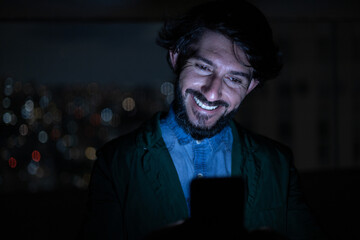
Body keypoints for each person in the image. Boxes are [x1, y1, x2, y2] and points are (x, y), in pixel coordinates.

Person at [84, 1, 326, 239]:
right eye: (203, 67)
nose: (212, 92)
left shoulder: (278, 164)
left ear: (250, 86)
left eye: (234, 79)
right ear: (177, 57)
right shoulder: (117, 163)